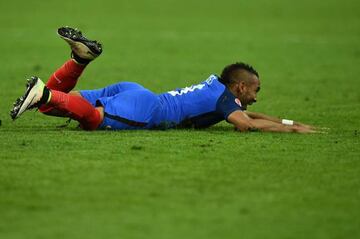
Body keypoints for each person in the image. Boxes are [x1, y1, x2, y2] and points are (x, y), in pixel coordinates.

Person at [10, 27, 316, 133]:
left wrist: (290, 123)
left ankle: (79, 60)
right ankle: (44, 93)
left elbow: (249, 115)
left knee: (58, 108)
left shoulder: (218, 90)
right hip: (145, 109)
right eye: (254, 90)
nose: (255, 97)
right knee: (91, 121)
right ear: (240, 86)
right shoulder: (226, 101)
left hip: (133, 91)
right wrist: (295, 132)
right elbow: (246, 124)